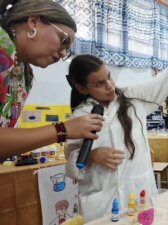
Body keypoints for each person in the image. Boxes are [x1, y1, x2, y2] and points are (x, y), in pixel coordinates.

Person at [63, 22, 168, 222]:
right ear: (81, 88)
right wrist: (93, 156)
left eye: (109, 78)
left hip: (137, 190)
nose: (110, 86)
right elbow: (71, 163)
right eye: (99, 84)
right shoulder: (79, 116)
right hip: (102, 199)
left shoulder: (132, 99)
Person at [0, 0, 103, 160]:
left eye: (67, 50)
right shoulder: (3, 50)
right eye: (63, 41)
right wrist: (63, 129)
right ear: (33, 22)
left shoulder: (25, 74)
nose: (63, 53)